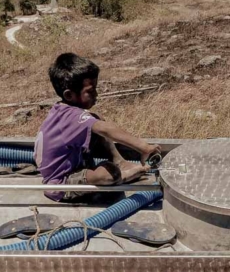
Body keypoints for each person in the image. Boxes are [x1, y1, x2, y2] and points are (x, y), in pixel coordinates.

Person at [35, 53, 161, 201]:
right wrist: (144, 148)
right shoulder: (71, 117)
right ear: (69, 95)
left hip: (71, 168)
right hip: (60, 184)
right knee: (109, 174)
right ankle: (122, 174)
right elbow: (106, 129)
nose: (96, 94)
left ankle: (120, 162)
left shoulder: (63, 111)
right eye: (90, 90)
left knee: (95, 120)